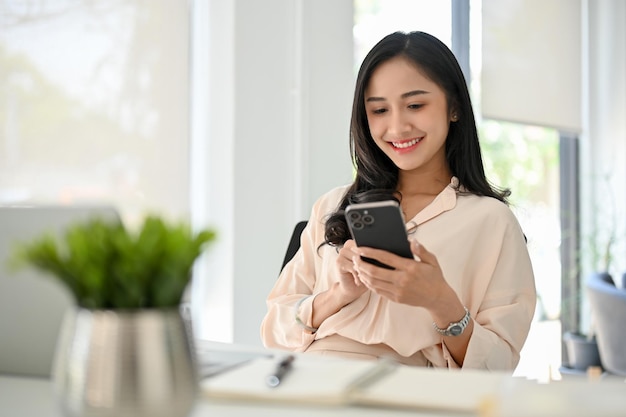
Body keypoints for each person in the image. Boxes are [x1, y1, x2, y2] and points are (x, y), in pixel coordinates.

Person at [260, 31, 536, 370]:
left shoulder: (492, 221)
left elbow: (498, 366)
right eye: (379, 110)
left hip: (408, 390)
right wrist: (338, 295)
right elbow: (274, 329)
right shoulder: (333, 205)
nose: (397, 126)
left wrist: (440, 301)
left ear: (454, 108)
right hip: (311, 378)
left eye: (415, 105)